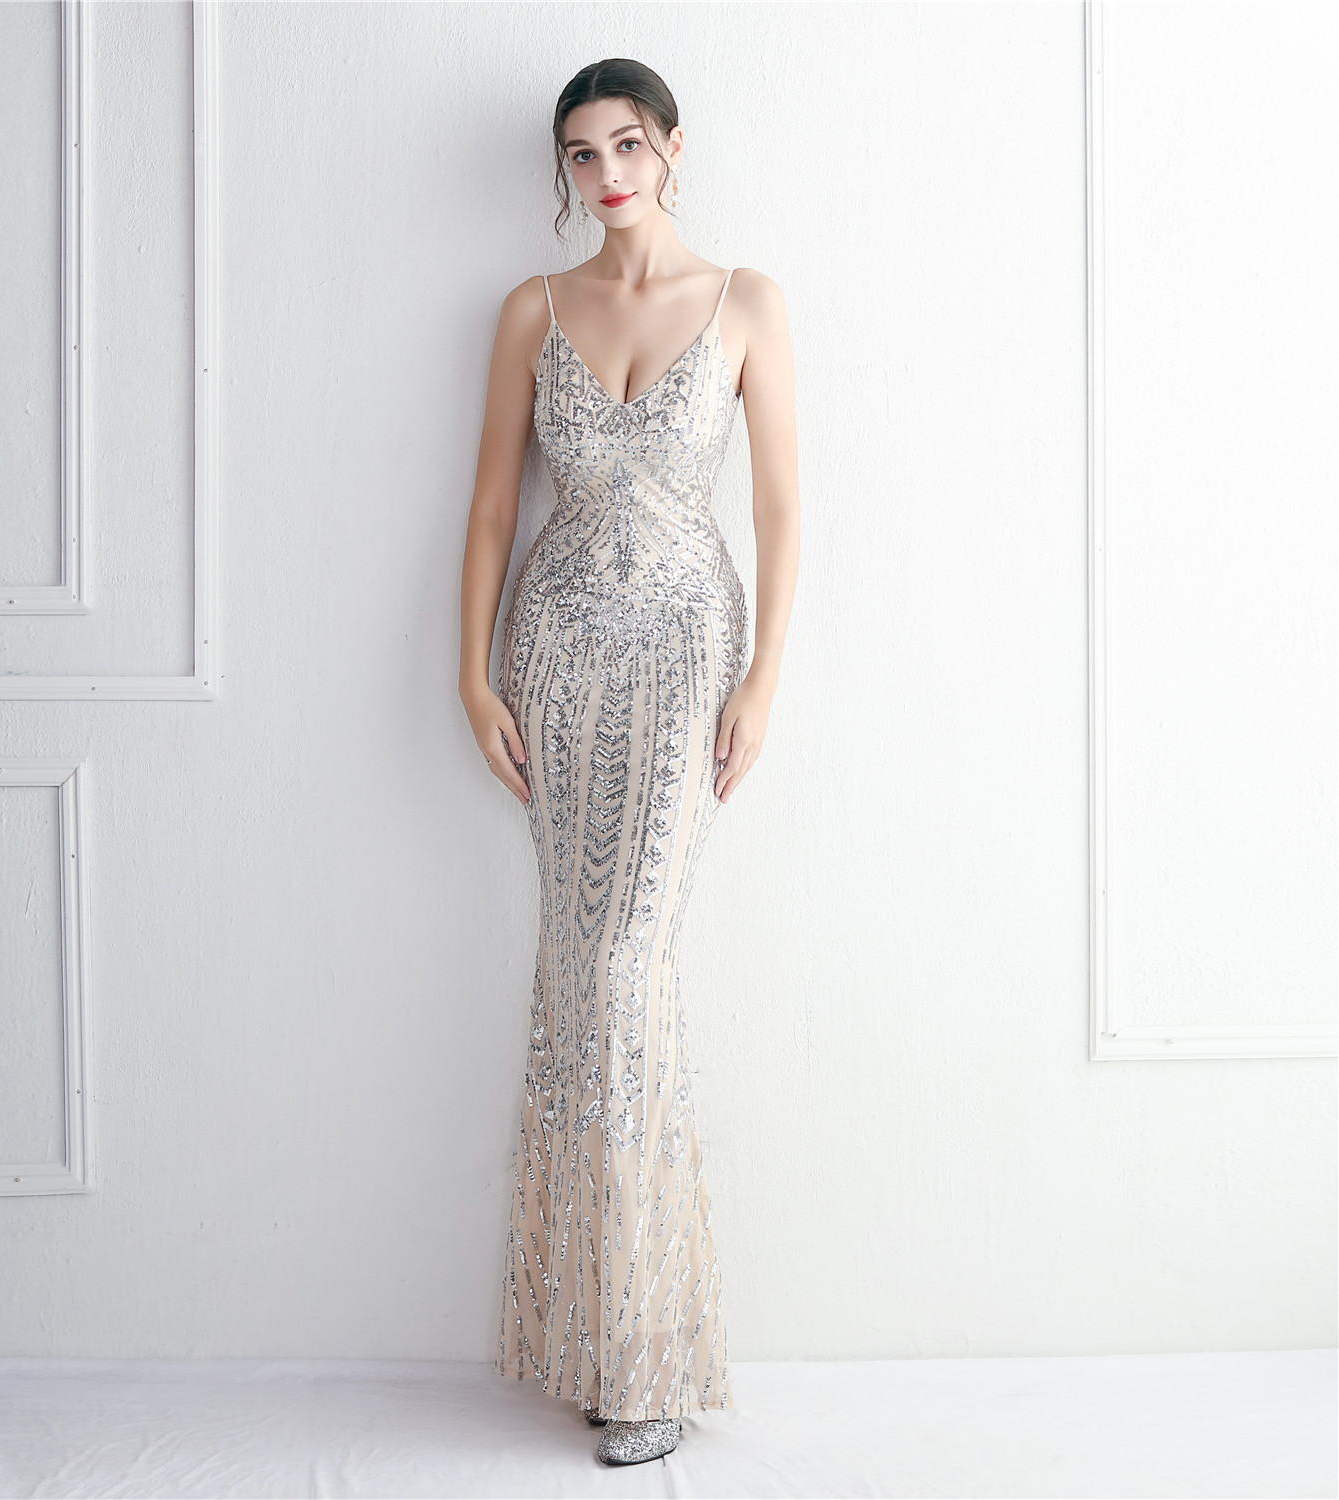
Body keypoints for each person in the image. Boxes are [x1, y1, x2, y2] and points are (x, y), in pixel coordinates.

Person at [457, 57, 800, 1467]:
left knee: (624, 966)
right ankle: (593, 1339)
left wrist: (764, 676)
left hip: (683, 658)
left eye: (628, 145)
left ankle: (650, 1350)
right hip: (555, 655)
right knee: (574, 969)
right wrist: (471, 671)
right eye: (581, 153)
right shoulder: (531, 310)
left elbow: (782, 508)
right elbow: (492, 506)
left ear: (671, 149)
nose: (606, 174)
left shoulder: (746, 302)